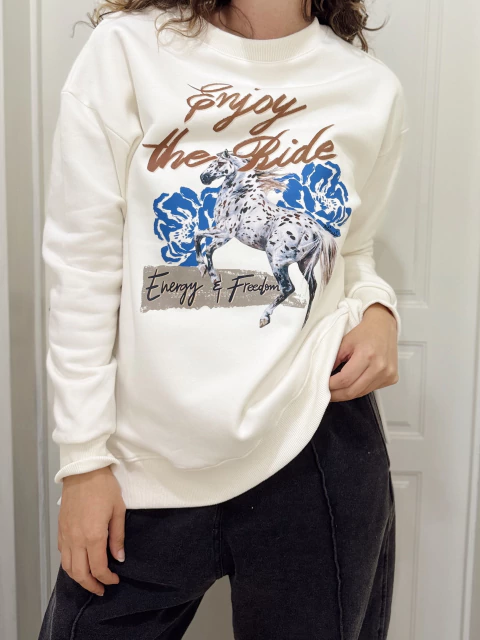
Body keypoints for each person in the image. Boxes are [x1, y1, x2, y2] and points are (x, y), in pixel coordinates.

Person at [38, 1, 408, 638]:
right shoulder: (127, 52)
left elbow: (350, 248)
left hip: (315, 447)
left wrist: (378, 307)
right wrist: (84, 462)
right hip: (142, 469)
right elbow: (82, 267)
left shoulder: (369, 88)